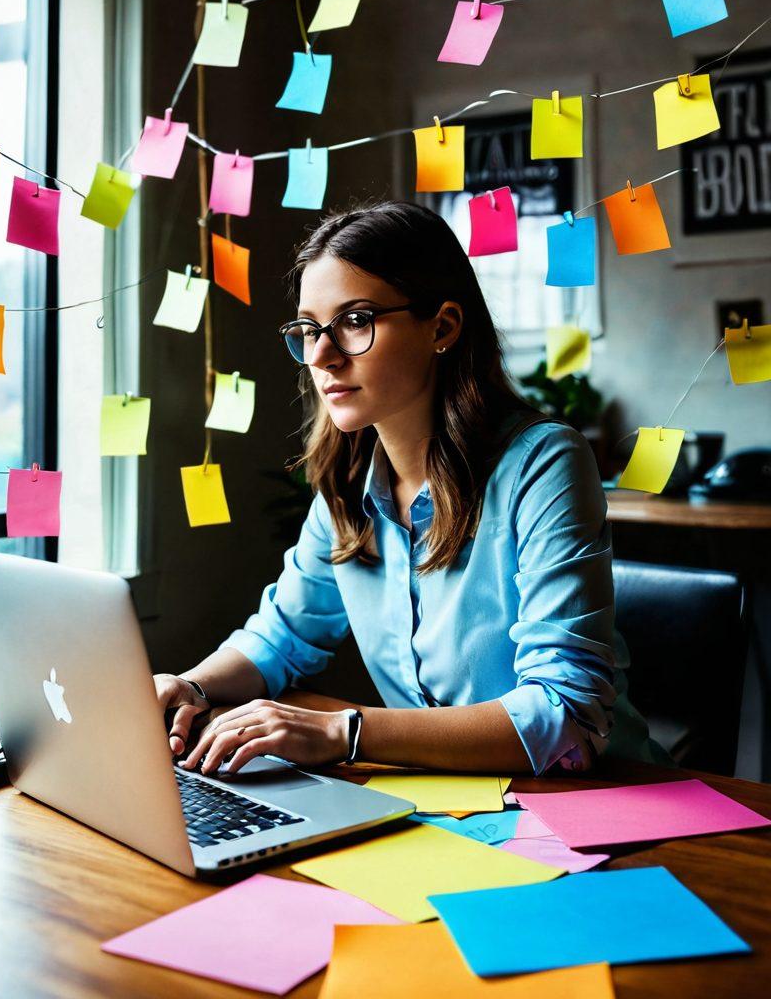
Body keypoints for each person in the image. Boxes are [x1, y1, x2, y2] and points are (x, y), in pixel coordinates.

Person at [154, 199, 670, 778]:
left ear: (443, 327)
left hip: (595, 800)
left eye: (355, 320)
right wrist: (191, 685)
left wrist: (338, 730)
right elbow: (282, 636)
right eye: (308, 329)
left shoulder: (544, 463)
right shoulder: (346, 487)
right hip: (448, 801)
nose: (320, 356)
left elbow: (563, 711)